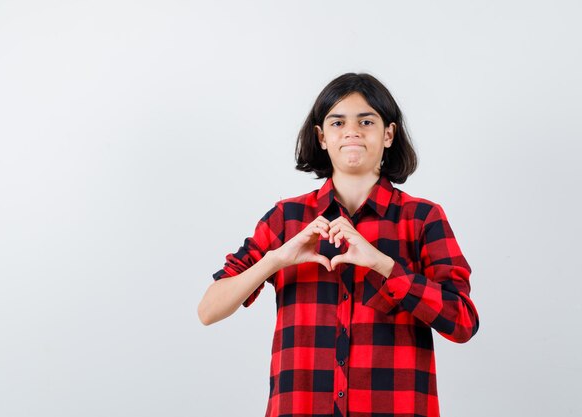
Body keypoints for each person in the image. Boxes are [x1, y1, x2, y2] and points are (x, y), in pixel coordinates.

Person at [198, 73, 479, 417]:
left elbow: (462, 322)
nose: (352, 131)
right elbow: (209, 310)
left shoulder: (423, 218)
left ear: (388, 134)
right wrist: (276, 259)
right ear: (322, 137)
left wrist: (385, 266)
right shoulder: (286, 218)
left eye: (366, 121)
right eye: (338, 121)